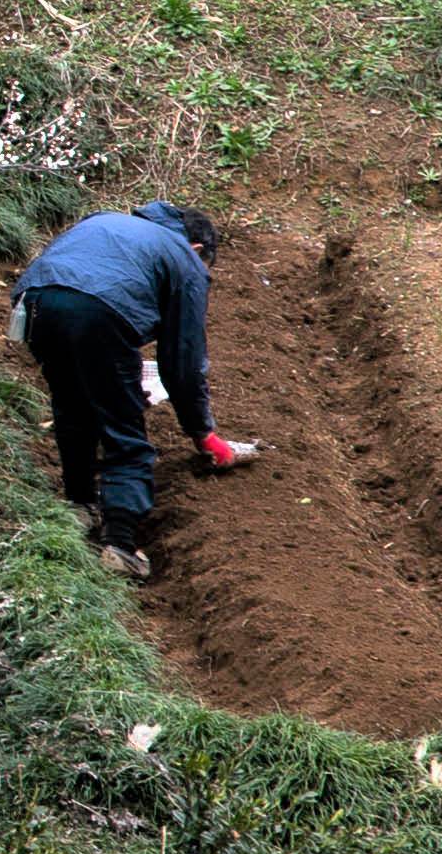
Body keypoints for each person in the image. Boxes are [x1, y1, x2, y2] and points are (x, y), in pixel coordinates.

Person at [13, 199, 258, 581]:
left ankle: (79, 505)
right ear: (197, 248)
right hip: (98, 310)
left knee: (72, 406)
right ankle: (121, 546)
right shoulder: (185, 259)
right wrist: (202, 432)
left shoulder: (107, 221)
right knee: (123, 428)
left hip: (34, 300)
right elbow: (183, 361)